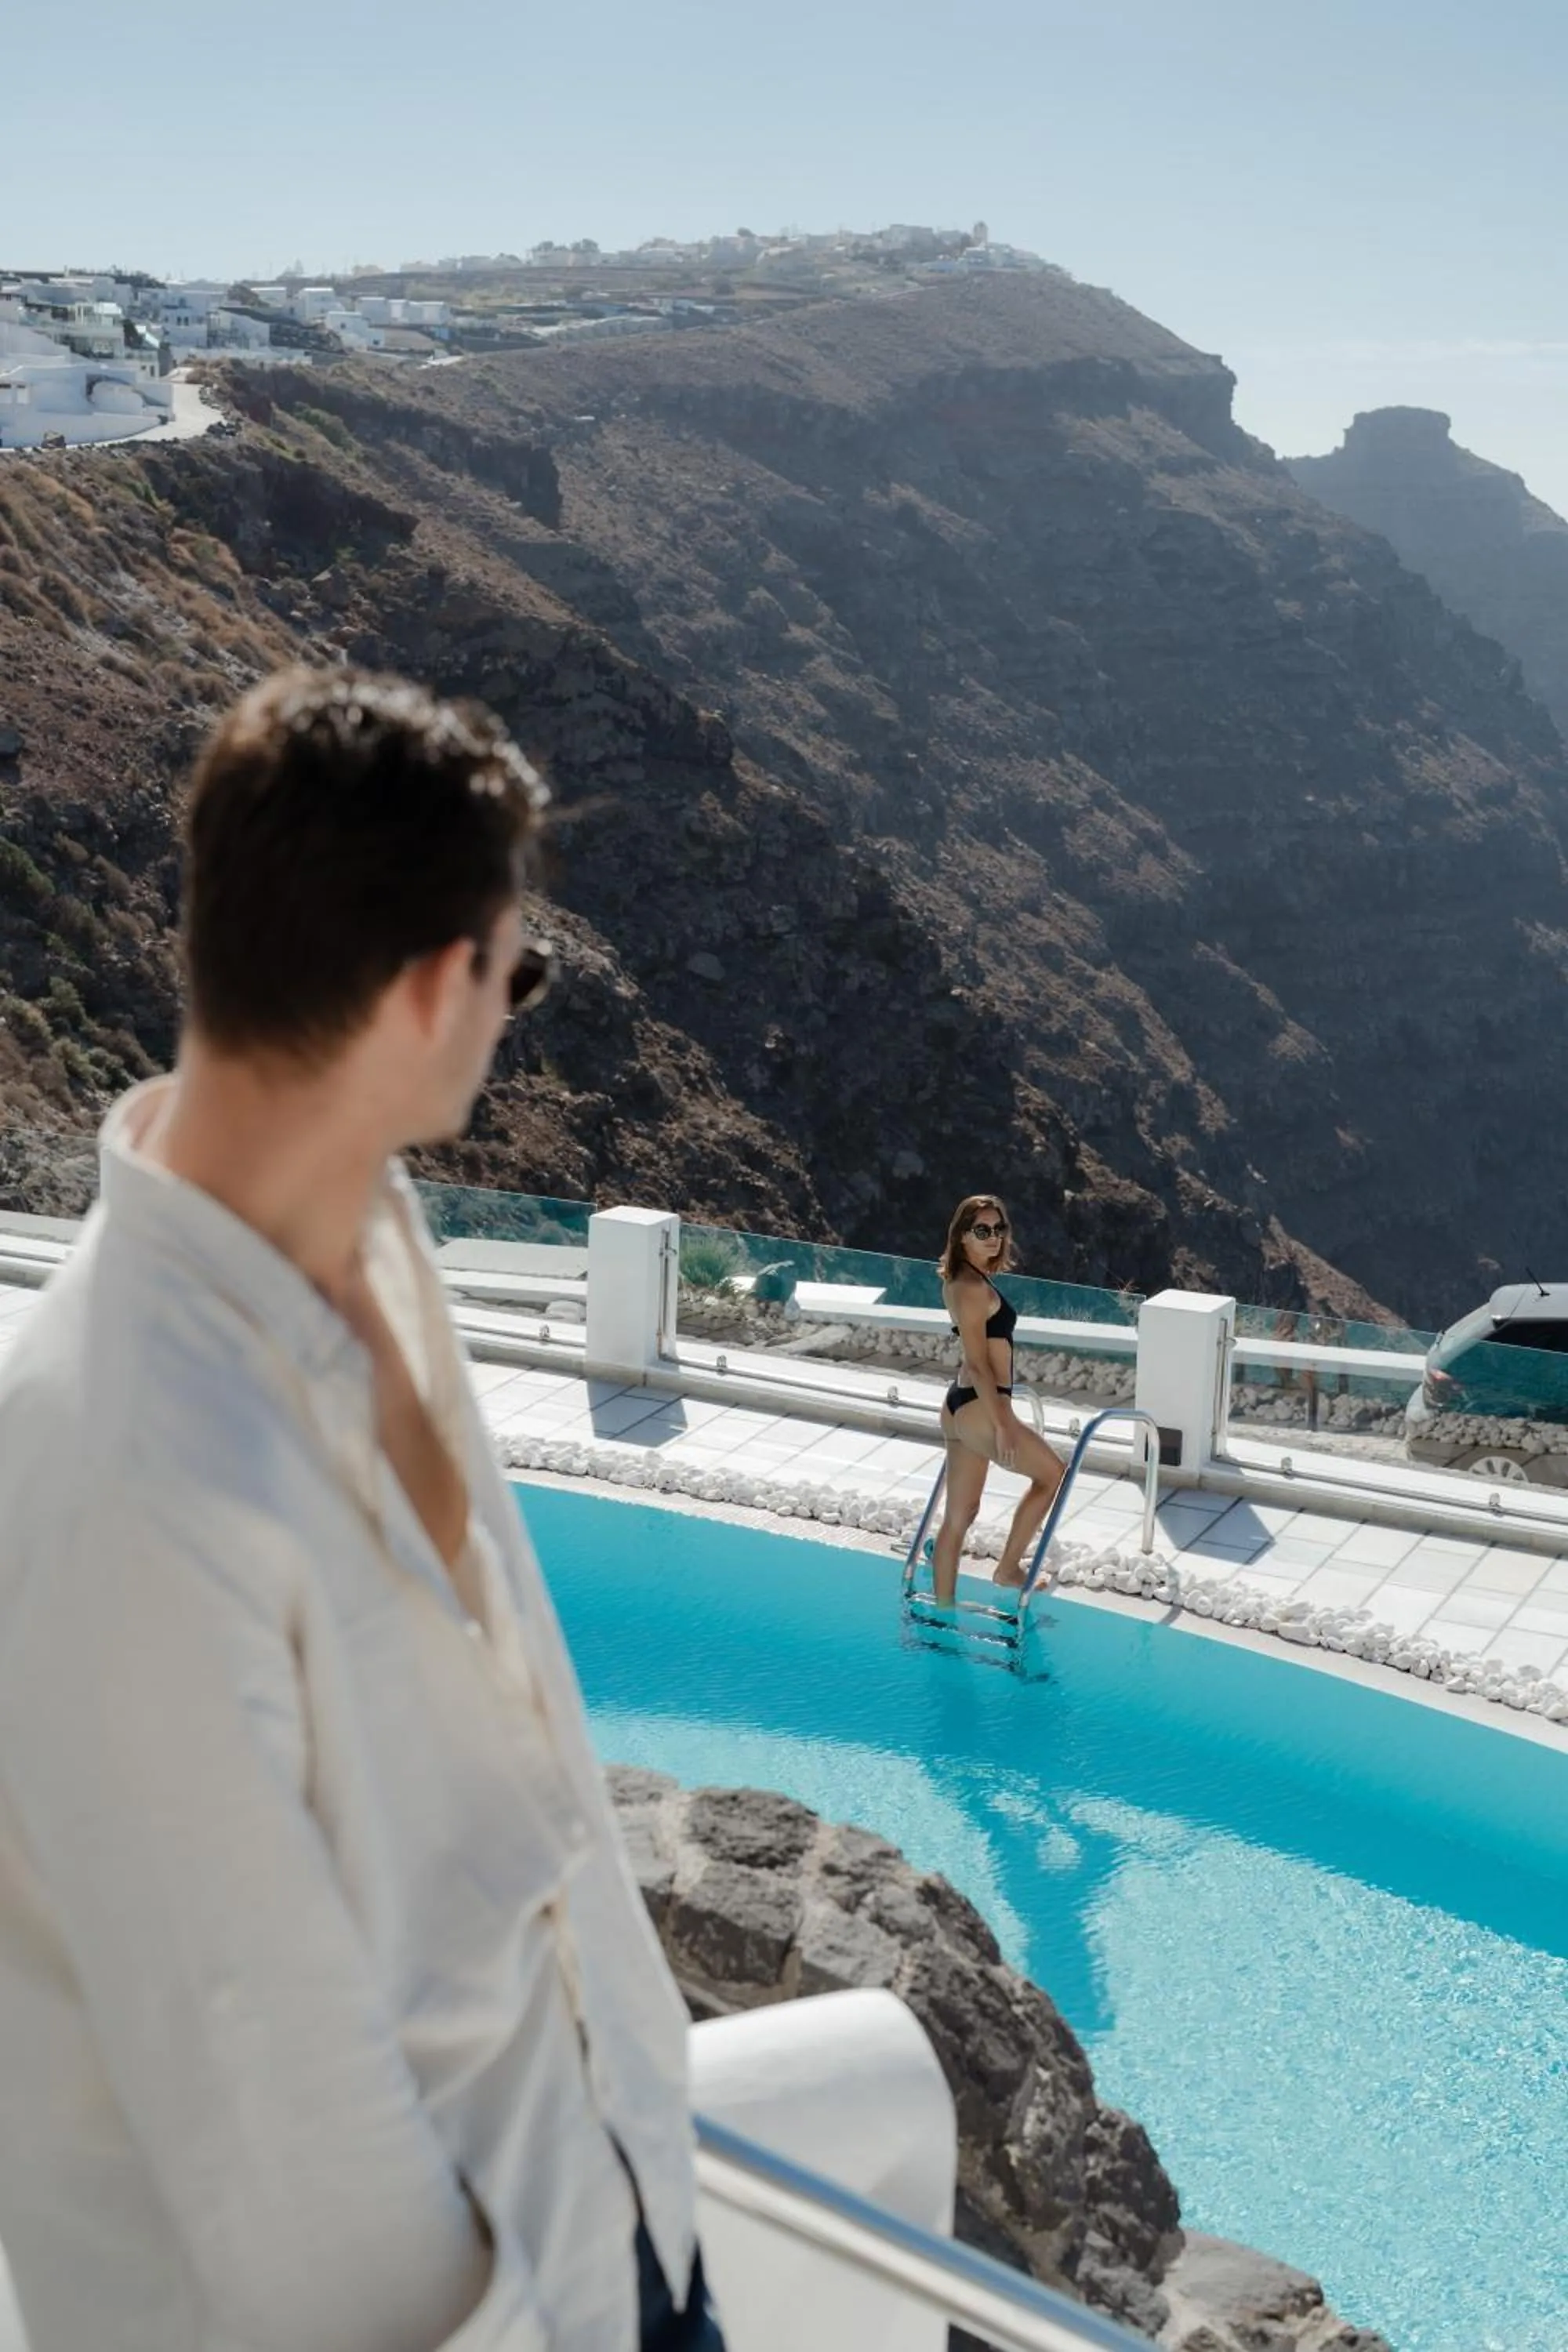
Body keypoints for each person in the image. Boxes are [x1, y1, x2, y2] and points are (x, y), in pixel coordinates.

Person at [0, 668, 724, 2352]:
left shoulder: (369, 1242)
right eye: (516, 976)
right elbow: (279, 2146)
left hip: (605, 2198)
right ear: (426, 994)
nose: (510, 1018)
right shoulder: (122, 1468)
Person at [930, 1194, 1065, 1606]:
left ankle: (943, 1612)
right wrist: (1004, 1424)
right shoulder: (971, 1288)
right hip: (979, 1405)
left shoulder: (965, 1279)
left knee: (959, 1518)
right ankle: (1008, 1569)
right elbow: (978, 1363)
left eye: (999, 1228)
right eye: (982, 1230)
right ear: (962, 1236)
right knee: (1052, 1474)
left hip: (961, 1405)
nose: (994, 1237)